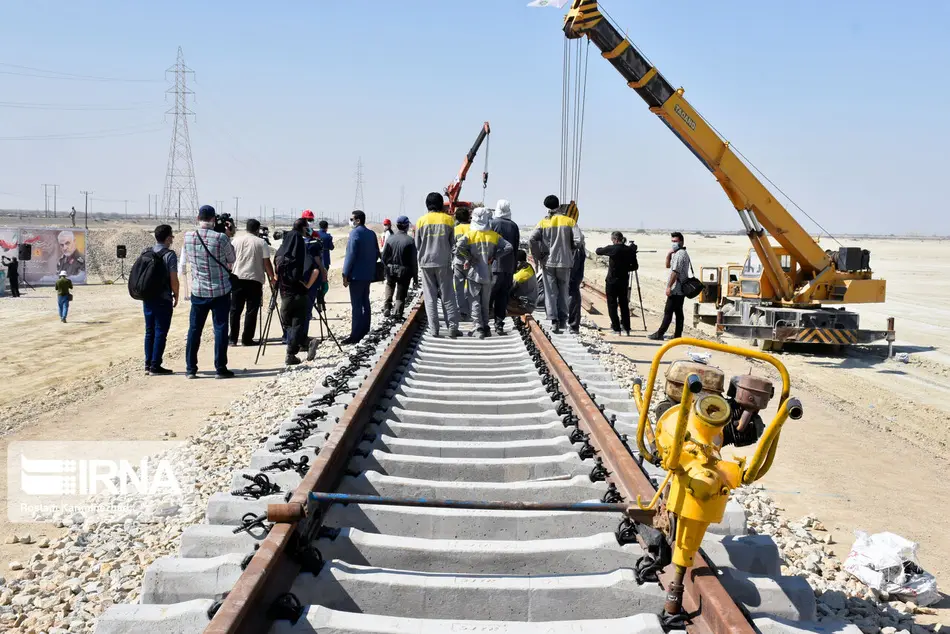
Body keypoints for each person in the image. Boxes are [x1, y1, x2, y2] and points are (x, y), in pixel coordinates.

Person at [181, 204, 236, 379]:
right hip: (220, 291)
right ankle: (220, 368)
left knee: (194, 329)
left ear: (198, 218)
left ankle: (191, 368)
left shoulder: (188, 237)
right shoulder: (221, 238)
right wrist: (226, 234)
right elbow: (232, 259)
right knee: (220, 329)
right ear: (213, 219)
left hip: (198, 291)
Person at [455, 206, 513, 339]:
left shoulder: (470, 235)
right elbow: (508, 247)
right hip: (488, 273)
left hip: (473, 274)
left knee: (474, 300)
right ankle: (486, 327)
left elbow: (458, 247)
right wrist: (495, 256)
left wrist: (468, 257)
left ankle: (478, 328)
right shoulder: (493, 236)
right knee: (485, 302)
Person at [529, 195, 583, 334]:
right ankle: (563, 320)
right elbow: (578, 240)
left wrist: (539, 255)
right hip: (564, 263)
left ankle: (553, 321)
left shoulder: (543, 222)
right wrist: (569, 249)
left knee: (550, 293)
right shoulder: (570, 221)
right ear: (559, 205)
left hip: (548, 263)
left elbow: (532, 239)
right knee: (564, 291)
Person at [275, 219, 323, 365]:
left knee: (290, 325)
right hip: (298, 294)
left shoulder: (280, 254)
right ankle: (307, 342)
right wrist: (307, 285)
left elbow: (276, 272)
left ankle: (292, 354)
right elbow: (315, 269)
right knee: (294, 325)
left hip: (286, 294)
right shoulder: (301, 252)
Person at [416, 192, 462, 338]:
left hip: (425, 262)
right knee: (448, 295)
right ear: (442, 204)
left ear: (426, 205)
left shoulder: (421, 221)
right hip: (443, 262)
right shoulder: (448, 220)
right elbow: (452, 243)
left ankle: (434, 330)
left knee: (430, 297)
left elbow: (417, 244)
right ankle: (452, 328)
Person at [229, 219, 276, 347]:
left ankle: (232, 339)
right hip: (254, 279)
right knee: (251, 310)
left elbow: (230, 260)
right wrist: (272, 277)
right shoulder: (261, 243)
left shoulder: (236, 240)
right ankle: (247, 339)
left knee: (235, 310)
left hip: (237, 278)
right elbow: (267, 263)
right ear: (257, 229)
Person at [143, 224, 180, 375]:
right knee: (160, 332)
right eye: (171, 236)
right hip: (163, 299)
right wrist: (176, 294)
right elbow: (173, 278)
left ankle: (147, 364)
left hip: (147, 297)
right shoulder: (169, 255)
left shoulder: (146, 251)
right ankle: (155, 365)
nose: (172, 238)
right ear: (167, 238)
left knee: (149, 331)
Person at [342, 209, 381, 344]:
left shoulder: (355, 233)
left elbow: (350, 255)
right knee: (365, 302)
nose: (351, 221)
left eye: (352, 219)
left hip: (356, 275)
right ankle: (365, 330)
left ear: (358, 220)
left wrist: (345, 273)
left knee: (357, 305)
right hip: (368, 274)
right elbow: (376, 253)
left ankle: (355, 335)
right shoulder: (371, 234)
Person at [649, 231, 691, 341]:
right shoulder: (677, 254)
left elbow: (675, 272)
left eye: (675, 241)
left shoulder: (681, 254)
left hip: (676, 288)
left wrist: (669, 286)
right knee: (678, 312)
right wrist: (668, 254)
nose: (673, 243)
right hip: (679, 289)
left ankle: (660, 333)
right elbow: (668, 266)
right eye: (672, 241)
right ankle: (677, 335)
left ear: (681, 242)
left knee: (668, 311)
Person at [596, 231, 639, 335]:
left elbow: (598, 251)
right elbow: (635, 266)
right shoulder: (629, 250)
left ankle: (616, 328)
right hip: (624, 281)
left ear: (615, 239)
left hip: (612, 281)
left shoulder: (613, 248)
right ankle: (626, 328)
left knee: (612, 305)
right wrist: (625, 267)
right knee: (624, 305)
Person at [489, 199, 520, 335]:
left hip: (493, 267)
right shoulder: (514, 226)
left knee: (488, 296)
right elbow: (516, 247)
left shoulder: (492, 223)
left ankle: (484, 323)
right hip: (508, 267)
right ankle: (499, 324)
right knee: (503, 296)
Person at [382, 215, 418, 321]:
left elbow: (384, 257)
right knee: (401, 291)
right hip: (404, 271)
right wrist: (415, 278)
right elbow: (413, 262)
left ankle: (387, 306)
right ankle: (397, 312)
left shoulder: (390, 239)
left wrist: (386, 268)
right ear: (406, 226)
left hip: (390, 269)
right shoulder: (410, 241)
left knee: (390, 285)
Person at [566, 205, 586, 335]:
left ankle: (573, 325)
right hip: (576, 255)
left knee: (572, 290)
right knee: (572, 291)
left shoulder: (571, 226)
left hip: (575, 256)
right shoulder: (573, 227)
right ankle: (572, 323)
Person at [452, 208, 472, 321]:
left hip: (458, 262)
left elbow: (452, 247)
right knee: (471, 287)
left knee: (459, 288)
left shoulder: (455, 230)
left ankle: (462, 311)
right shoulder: (473, 229)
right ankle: (471, 309)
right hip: (472, 263)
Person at [507, 250, 539, 316]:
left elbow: (508, 289)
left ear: (518, 262)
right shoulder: (528, 267)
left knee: (499, 302)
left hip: (525, 306)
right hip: (530, 303)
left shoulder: (521, 275)